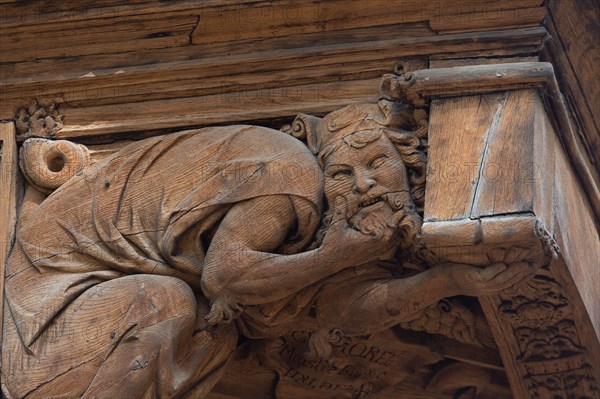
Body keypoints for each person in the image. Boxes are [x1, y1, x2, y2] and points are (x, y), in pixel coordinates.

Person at [2, 101, 533, 399]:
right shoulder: (292, 175)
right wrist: (336, 257)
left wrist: (445, 282)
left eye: (380, 166)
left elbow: (340, 306)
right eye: (346, 172)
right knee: (166, 304)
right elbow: (226, 279)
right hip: (41, 314)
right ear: (324, 169)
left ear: (413, 168)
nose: (367, 185)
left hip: (83, 307)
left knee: (209, 331)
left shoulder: (344, 227)